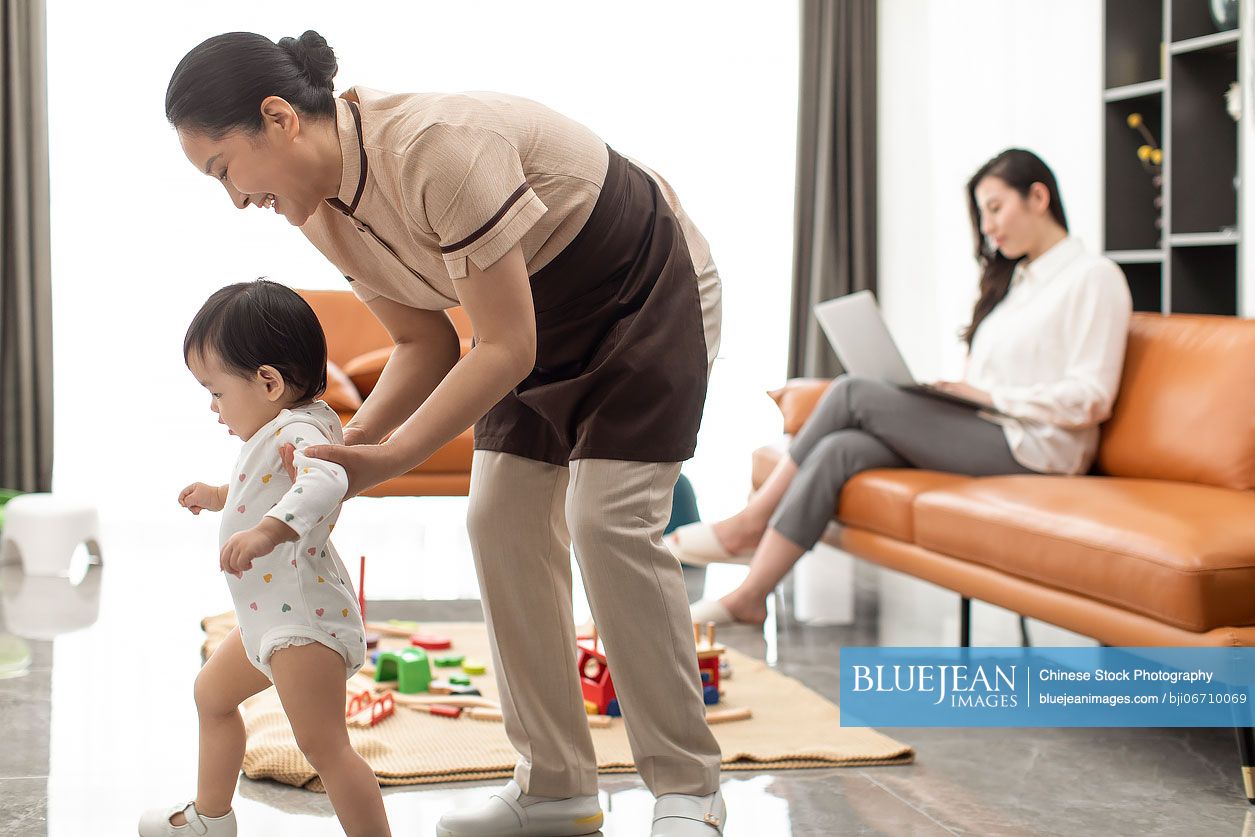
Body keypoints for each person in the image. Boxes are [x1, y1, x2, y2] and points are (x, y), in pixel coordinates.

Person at [166, 30, 726, 837]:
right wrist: (346, 450)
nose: (233, 198)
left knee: (607, 521)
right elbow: (423, 342)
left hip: (640, 287)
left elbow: (502, 345)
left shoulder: (435, 148)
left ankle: (687, 788)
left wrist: (387, 457)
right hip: (530, 316)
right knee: (498, 520)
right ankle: (556, 786)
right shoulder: (319, 214)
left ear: (280, 118)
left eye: (224, 170)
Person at [671, 148, 1134, 627]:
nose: (988, 227)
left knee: (852, 393)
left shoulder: (1094, 278)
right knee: (841, 450)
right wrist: (958, 395)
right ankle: (751, 595)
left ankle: (750, 522)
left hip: (1039, 449)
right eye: (982, 214)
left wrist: (989, 397)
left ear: (1038, 196)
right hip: (991, 428)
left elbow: (1092, 396)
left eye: (995, 208)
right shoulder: (1018, 282)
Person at [139, 280, 389, 836]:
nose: (212, 407)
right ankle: (210, 818)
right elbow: (268, 486)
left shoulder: (300, 430)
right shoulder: (292, 422)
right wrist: (219, 496)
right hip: (269, 617)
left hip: (301, 623)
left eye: (217, 391)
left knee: (326, 749)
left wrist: (268, 533)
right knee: (211, 694)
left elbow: (326, 479)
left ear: (268, 382)